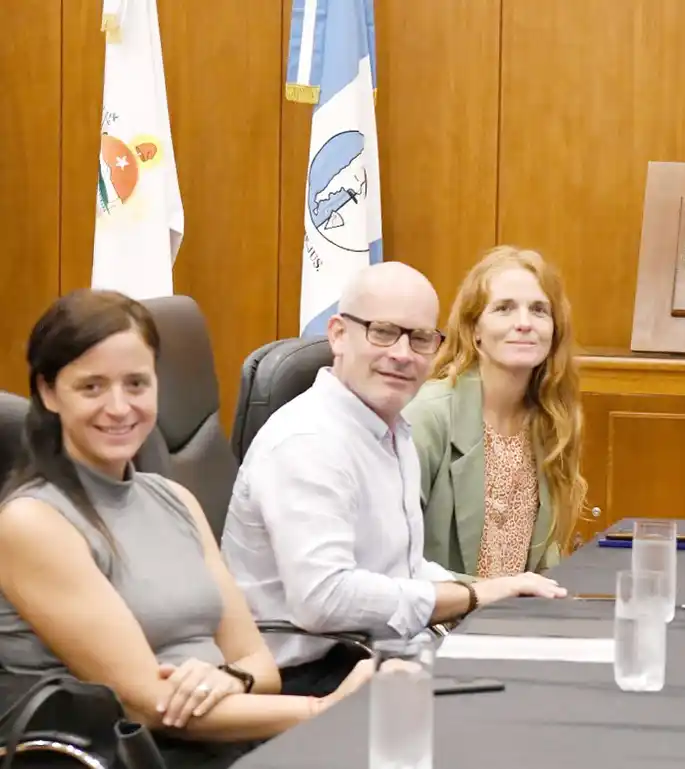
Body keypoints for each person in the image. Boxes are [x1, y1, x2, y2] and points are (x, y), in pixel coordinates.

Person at [0, 290, 373, 767]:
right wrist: (324, 710)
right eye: (92, 387)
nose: (119, 407)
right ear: (49, 393)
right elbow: (147, 705)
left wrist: (232, 678)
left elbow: (261, 666)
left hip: (231, 734)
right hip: (133, 754)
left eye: (136, 384)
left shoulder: (175, 499)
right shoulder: (32, 522)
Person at [221, 262, 567, 699]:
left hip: (380, 650)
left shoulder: (389, 427)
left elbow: (404, 568)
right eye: (383, 332)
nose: (403, 354)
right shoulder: (308, 440)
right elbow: (325, 599)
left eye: (420, 338)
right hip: (308, 677)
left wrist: (498, 590)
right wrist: (473, 598)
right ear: (338, 334)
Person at [405, 246, 587, 577]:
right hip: (436, 622)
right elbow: (391, 563)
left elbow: (547, 560)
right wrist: (486, 596)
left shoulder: (552, 420)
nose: (524, 323)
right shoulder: (427, 417)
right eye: (504, 309)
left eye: (539, 310)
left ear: (554, 330)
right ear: (473, 330)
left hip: (517, 621)